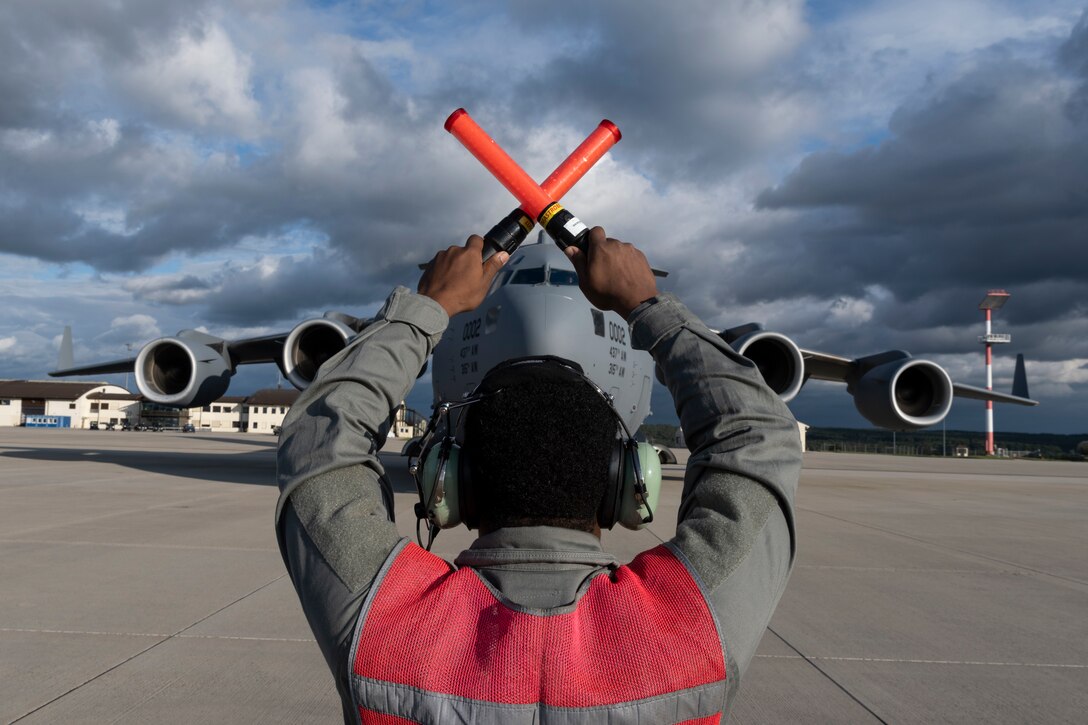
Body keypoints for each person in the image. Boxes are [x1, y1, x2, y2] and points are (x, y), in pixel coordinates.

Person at [276, 227, 802, 724]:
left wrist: (425, 310)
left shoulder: (388, 628)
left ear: (454, 484)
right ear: (625, 486)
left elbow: (317, 443)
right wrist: (647, 306)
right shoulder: (688, 632)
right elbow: (758, 438)